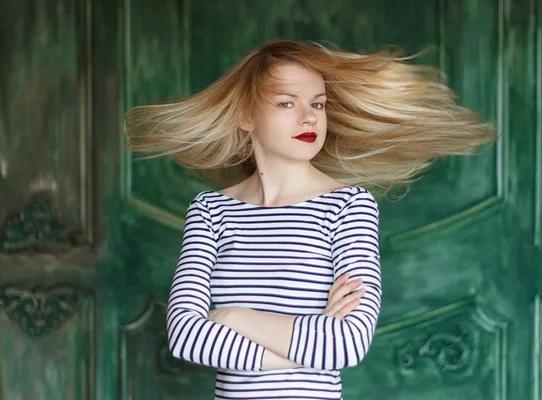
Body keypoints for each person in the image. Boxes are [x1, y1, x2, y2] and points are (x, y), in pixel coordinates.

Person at [124, 40, 495, 400]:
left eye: (317, 103)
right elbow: (187, 338)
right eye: (287, 102)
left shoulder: (349, 206)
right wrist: (305, 350)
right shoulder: (209, 210)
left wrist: (232, 316)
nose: (309, 117)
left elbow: (347, 345)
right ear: (245, 116)